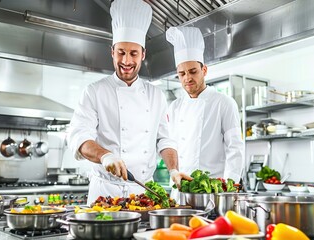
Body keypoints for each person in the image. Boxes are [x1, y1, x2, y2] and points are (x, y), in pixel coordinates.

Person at [67, 0, 190, 205]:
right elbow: (79, 137)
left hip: (143, 194)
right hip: (104, 193)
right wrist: (105, 156)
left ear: (143, 54)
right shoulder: (94, 92)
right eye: (121, 52)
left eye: (133, 53)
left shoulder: (156, 95)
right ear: (112, 51)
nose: (126, 61)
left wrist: (174, 170)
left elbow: (165, 140)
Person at [166, 27, 245, 197]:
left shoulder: (224, 103)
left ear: (204, 70)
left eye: (193, 71)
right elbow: (170, 146)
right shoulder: (174, 107)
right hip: (180, 192)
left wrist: (229, 188)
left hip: (213, 192)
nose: (187, 78)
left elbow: (235, 148)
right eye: (182, 74)